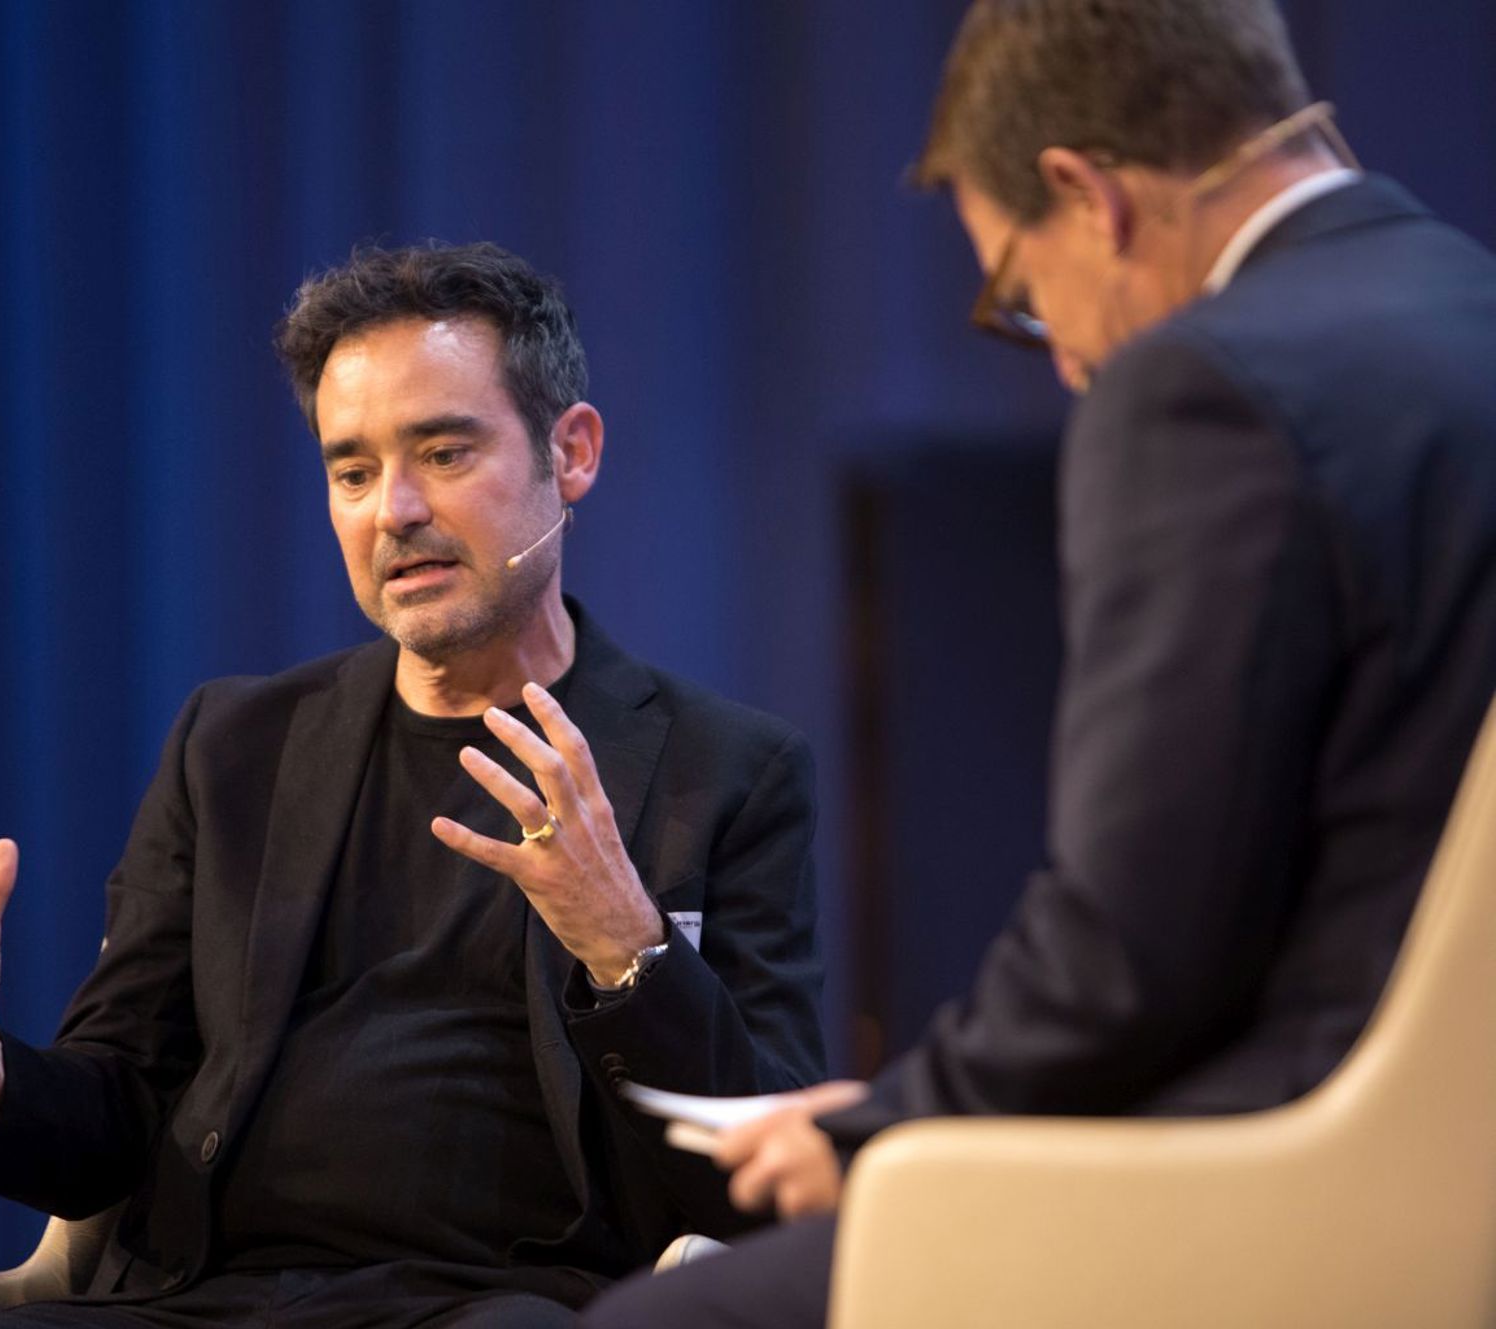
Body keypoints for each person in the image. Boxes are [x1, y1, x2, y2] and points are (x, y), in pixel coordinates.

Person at [584, 1, 1496, 1323]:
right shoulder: (1467, 307)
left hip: (1290, 1165)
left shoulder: (1203, 388)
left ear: (1087, 196)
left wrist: (882, 1131)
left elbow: (1133, 952)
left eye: (1018, 296)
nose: (1065, 364)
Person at [0, 241, 827, 1327]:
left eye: (444, 453)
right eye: (352, 472)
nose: (392, 511)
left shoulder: (722, 772)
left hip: (500, 1304)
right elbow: (117, 1112)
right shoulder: (233, 748)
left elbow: (766, 1177)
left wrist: (627, 948)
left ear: (572, 453)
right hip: (212, 1301)